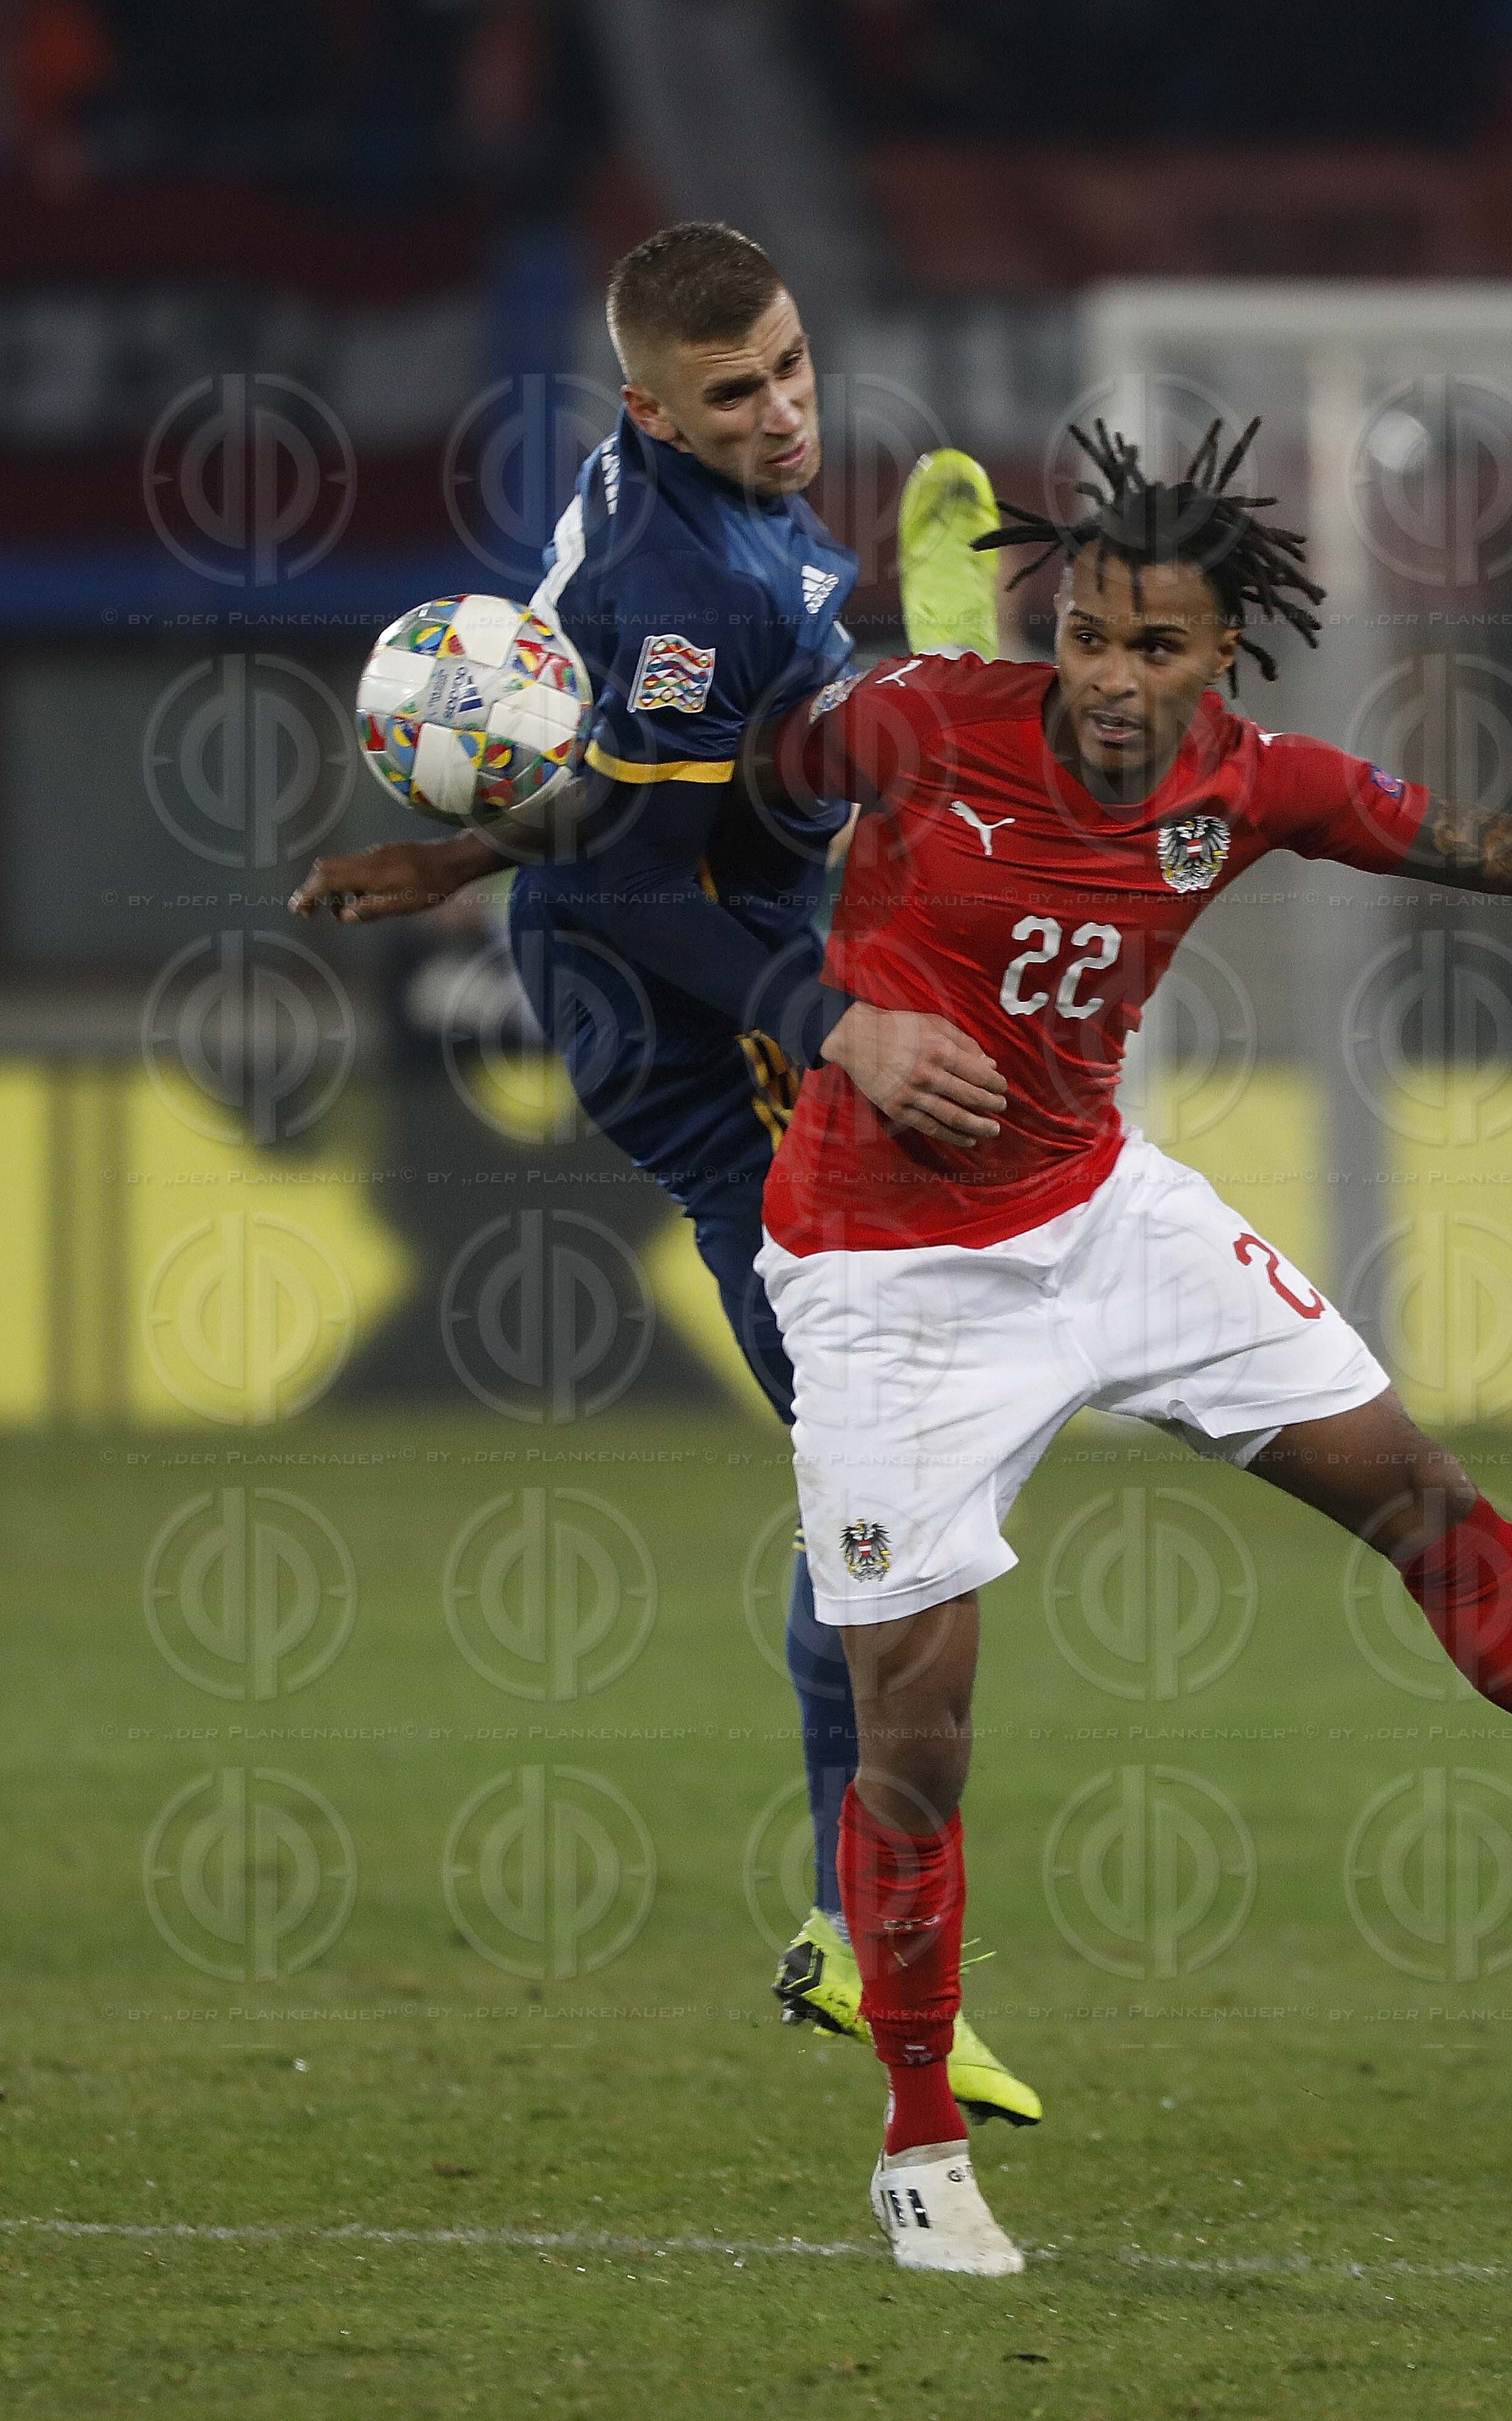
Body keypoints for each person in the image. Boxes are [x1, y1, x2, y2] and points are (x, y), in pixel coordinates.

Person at [740, 420, 1512, 2276]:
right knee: (922, 1726)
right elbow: (712, 809)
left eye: (1160, 650)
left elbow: (1510, 852)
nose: (1118, 681)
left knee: (1422, 1495)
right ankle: (917, 2140)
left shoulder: (1248, 778)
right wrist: (820, 1009)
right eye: (1094, 639)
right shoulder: (916, 720)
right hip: (882, 1278)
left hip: (1104, 1216)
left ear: (1223, 656)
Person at [290, 220, 1040, 2128]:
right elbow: (624, 873)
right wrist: (821, 1017)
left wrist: (445, 860)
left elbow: (624, 785)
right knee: (876, 1461)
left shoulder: (712, 519)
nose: (786, 409)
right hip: (672, 1012)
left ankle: (855, 1915)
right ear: (648, 405)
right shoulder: (665, 571)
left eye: (792, 365)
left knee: (890, 1457)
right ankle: (854, 1927)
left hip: (731, 926)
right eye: (739, 392)